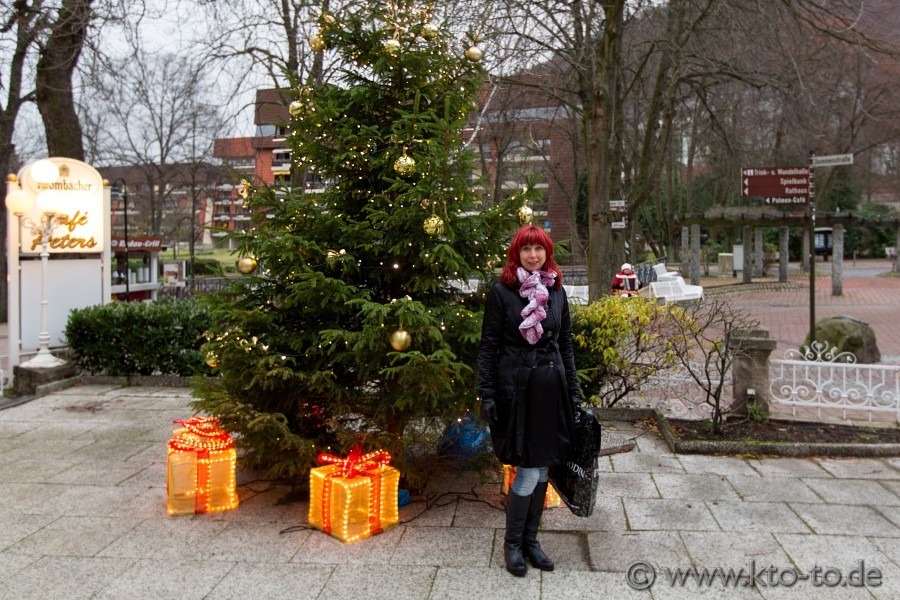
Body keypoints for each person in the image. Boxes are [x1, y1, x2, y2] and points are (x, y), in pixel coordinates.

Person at [477, 225, 582, 577]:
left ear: (547, 253)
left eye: (539, 249)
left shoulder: (557, 291)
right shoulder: (501, 293)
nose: (533, 255)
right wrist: (488, 393)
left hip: (551, 392)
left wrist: (574, 393)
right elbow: (489, 347)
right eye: (527, 249)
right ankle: (513, 544)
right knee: (527, 470)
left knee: (542, 469)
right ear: (516, 254)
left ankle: (531, 542)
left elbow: (564, 344)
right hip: (517, 393)